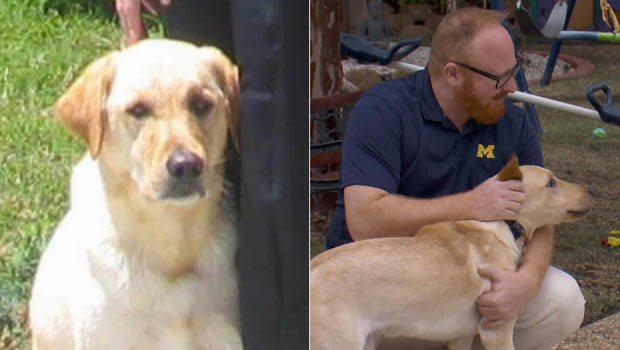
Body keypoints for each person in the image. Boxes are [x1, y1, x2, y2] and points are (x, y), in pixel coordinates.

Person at [326, 8, 584, 350]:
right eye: (498, 77)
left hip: (467, 291)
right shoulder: (383, 111)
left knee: (562, 300)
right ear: (452, 74)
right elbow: (364, 220)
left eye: (515, 70)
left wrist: (525, 282)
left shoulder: (513, 125)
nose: (511, 87)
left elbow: (543, 218)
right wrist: (472, 204)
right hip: (378, 298)